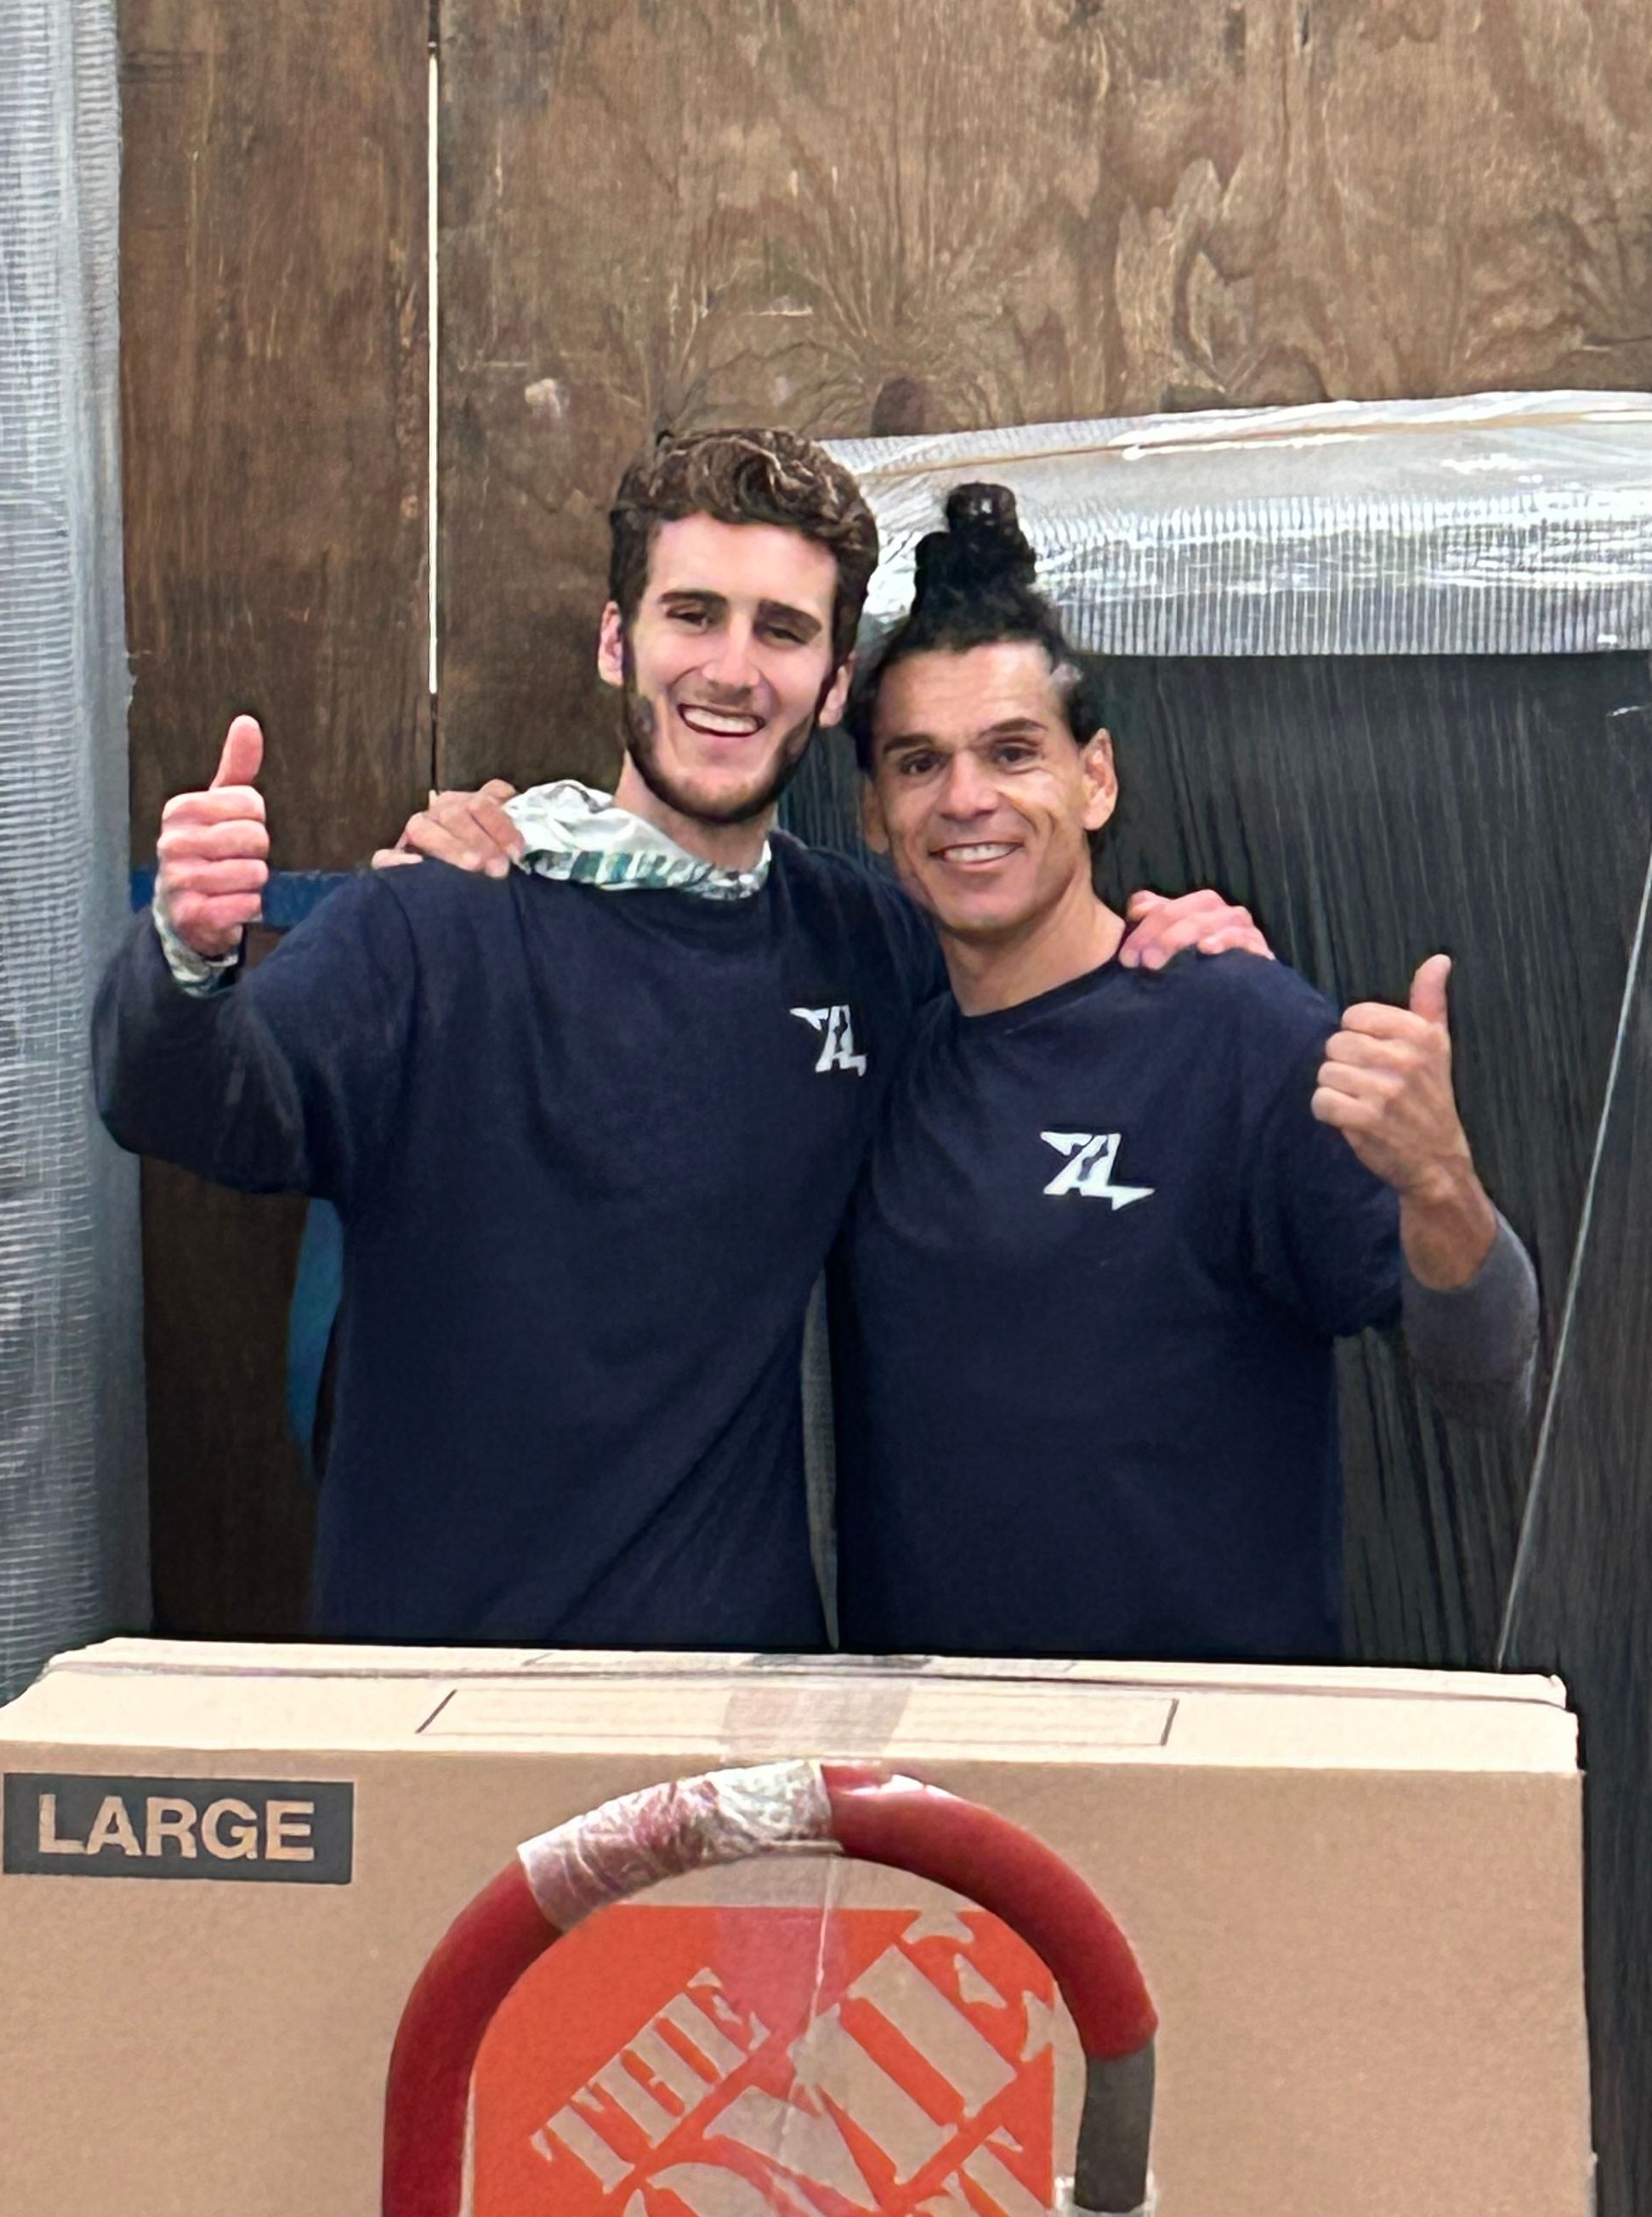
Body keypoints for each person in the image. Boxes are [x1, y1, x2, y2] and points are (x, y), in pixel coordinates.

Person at [94, 430, 1254, 1651]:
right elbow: (203, 1111)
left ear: (834, 685)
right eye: (693, 615)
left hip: (733, 1709)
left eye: (783, 630)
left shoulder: (863, 944)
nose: (732, 670)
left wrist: (1173, 950)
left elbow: (1028, 984)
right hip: (437, 1699)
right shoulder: (438, 922)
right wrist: (188, 950)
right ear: (616, 642)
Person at [819, 483, 1536, 1662]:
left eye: (1013, 753)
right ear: (874, 812)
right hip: (940, 1786)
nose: (967, 800)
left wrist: (1444, 1182)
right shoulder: (871, 1055)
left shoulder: (1238, 1032)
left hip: (1201, 1768)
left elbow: (1485, 1378)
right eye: (919, 764)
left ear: (1094, 778)